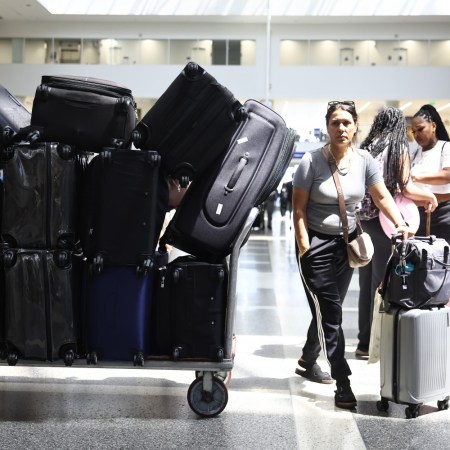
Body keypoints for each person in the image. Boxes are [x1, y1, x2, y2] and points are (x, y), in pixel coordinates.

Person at [293, 100, 412, 410]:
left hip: (346, 246)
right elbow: (299, 211)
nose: (341, 128)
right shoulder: (311, 162)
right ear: (327, 126)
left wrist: (400, 222)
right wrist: (305, 249)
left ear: (356, 126)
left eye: (346, 122)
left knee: (328, 309)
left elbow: (382, 195)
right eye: (335, 122)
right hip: (315, 246)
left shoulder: (365, 161)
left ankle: (307, 359)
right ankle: (343, 383)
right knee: (331, 315)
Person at [356, 107, 438, 358]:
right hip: (384, 221)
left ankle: (363, 341)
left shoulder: (367, 149)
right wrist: (429, 195)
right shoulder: (397, 148)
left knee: (366, 283)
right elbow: (407, 187)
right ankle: (376, 343)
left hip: (363, 221)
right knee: (382, 283)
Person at [410, 104, 450, 242]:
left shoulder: (445, 147)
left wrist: (414, 177)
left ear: (433, 126)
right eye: (413, 131)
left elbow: (447, 176)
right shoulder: (414, 153)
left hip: (443, 215)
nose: (416, 135)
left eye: (420, 129)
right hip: (418, 216)